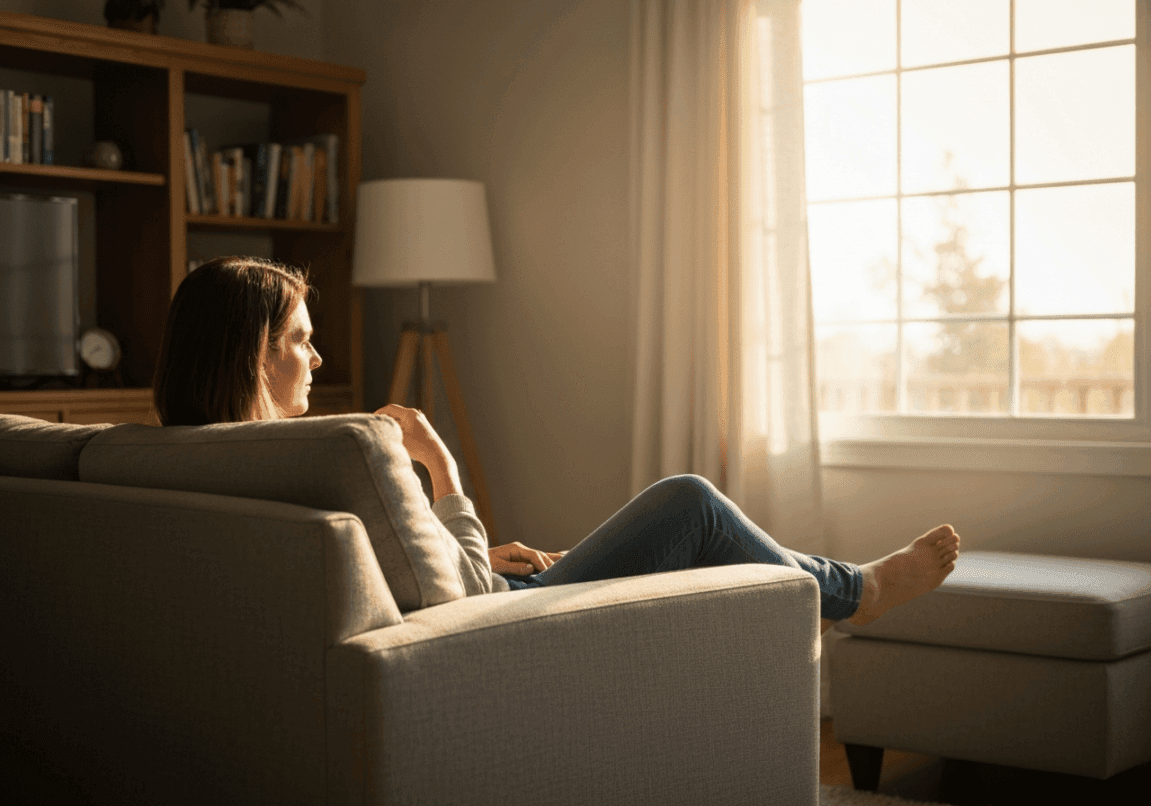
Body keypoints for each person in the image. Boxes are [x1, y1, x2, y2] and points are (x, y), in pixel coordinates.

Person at [155, 256, 960, 631]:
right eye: (300, 339)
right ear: (255, 352)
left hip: (458, 602)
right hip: (487, 629)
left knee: (653, 538)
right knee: (689, 505)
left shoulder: (172, 460)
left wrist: (461, 548)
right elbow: (462, 600)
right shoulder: (334, 449)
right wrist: (443, 471)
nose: (318, 356)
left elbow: (391, 572)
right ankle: (858, 590)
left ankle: (841, 582)